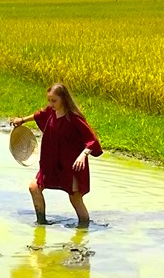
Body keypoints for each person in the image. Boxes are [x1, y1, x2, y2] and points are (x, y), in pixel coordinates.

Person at [11, 83, 102, 227]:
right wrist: (22, 120)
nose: (50, 104)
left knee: (75, 199)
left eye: (54, 101)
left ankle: (84, 230)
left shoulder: (74, 119)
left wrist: (83, 154)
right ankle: (41, 223)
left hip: (71, 166)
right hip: (51, 163)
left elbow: (92, 140)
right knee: (34, 187)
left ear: (64, 99)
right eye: (49, 100)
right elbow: (38, 115)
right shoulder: (51, 112)